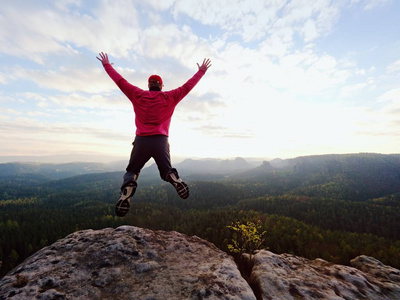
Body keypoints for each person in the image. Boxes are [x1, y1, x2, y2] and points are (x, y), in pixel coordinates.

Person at [96, 52, 211, 217]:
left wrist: (107, 65)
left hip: (141, 141)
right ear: (161, 86)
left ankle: (128, 186)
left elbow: (120, 81)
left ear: (149, 85)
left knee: (132, 170)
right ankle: (173, 176)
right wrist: (201, 71)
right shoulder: (169, 97)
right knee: (165, 170)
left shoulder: (137, 94)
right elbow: (187, 86)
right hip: (161, 141)